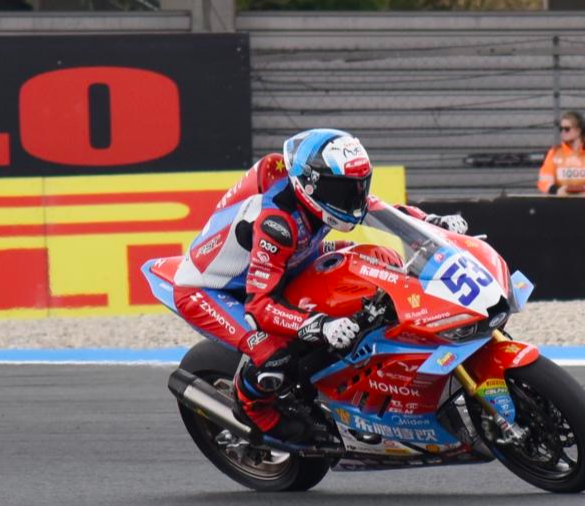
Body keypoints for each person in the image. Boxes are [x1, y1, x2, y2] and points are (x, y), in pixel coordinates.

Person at [170, 128, 468, 441]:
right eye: (343, 190)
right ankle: (253, 410)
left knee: (379, 262)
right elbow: (259, 307)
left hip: (290, 261)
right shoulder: (277, 224)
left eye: (358, 186)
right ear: (308, 185)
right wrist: (321, 325)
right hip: (212, 289)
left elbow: (381, 211)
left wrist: (432, 224)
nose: (353, 199)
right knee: (273, 353)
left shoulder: (327, 196)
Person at [537, 111, 585, 196]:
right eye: (561, 129)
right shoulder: (554, 153)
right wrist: (557, 191)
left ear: (579, 130)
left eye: (567, 129)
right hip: (560, 201)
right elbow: (544, 181)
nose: (563, 132)